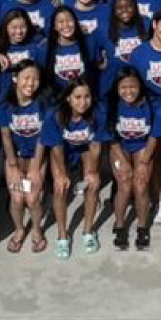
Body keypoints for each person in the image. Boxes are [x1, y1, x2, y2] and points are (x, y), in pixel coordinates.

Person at [42, 80, 106, 258]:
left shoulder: (98, 113)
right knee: (60, 188)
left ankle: (88, 231)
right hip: (63, 149)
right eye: (77, 97)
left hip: (85, 149)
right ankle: (62, 235)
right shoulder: (54, 115)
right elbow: (56, 147)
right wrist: (62, 174)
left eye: (87, 97)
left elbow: (95, 146)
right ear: (68, 98)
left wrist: (92, 172)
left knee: (92, 185)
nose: (83, 102)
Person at [106, 67, 161, 251]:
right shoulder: (111, 105)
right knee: (124, 183)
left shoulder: (151, 104)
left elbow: (154, 136)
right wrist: (123, 163)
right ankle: (120, 224)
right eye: (123, 87)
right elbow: (111, 138)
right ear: (116, 88)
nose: (128, 91)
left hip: (142, 146)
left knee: (140, 184)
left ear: (141, 86)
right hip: (120, 147)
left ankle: (141, 226)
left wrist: (144, 162)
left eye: (133, 86)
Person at [0, 61, 49, 254]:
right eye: (26, 78)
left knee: (33, 198)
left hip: (36, 157)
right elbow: (6, 136)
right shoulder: (4, 105)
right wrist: (13, 167)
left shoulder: (42, 103)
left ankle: (36, 230)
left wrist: (35, 168)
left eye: (35, 78)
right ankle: (19, 230)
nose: (31, 83)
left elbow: (43, 138)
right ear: (15, 79)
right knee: (17, 199)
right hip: (15, 159)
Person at [44, 6, 96, 93]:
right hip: (58, 98)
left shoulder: (89, 44)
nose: (66, 25)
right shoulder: (46, 48)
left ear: (75, 22)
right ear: (54, 27)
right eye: (61, 22)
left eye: (69, 20)